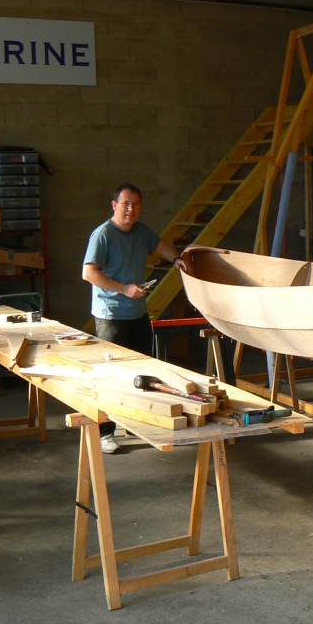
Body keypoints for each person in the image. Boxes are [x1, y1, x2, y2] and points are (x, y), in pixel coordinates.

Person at [82, 182, 188, 453]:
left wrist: (177, 258)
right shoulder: (103, 235)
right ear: (114, 205)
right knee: (111, 375)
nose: (131, 209)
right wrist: (124, 288)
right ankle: (105, 431)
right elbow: (89, 273)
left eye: (136, 204)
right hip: (111, 316)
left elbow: (161, 245)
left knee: (141, 373)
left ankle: (134, 421)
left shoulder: (141, 232)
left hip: (138, 314)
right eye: (125, 203)